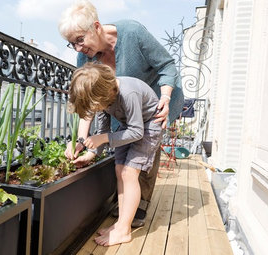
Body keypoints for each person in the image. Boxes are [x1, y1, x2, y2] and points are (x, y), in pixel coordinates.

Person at [58, 0, 184, 228]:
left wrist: (165, 97)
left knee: (144, 147)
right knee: (125, 158)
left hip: (156, 99)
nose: (77, 48)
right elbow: (90, 103)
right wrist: (81, 142)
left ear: (96, 27)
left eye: (79, 40)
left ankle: (139, 205)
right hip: (121, 102)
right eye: (71, 44)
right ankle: (127, 199)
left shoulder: (132, 33)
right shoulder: (85, 57)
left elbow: (167, 65)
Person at [68, 62, 163, 246]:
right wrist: (90, 152)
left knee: (129, 173)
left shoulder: (128, 93)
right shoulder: (104, 97)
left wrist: (103, 138)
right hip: (129, 126)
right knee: (120, 170)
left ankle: (125, 230)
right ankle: (121, 223)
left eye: (95, 107)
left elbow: (137, 132)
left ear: (103, 93)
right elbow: (102, 128)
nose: (95, 111)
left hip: (148, 126)